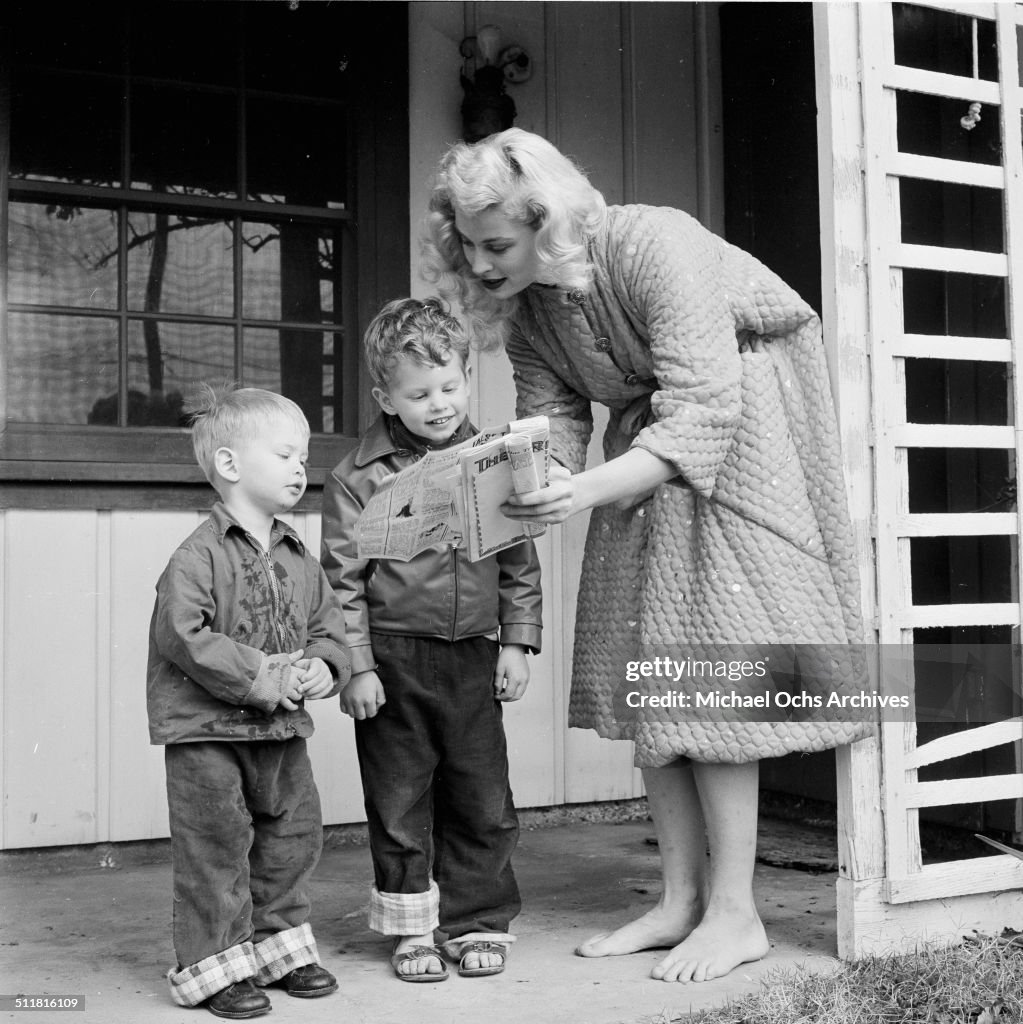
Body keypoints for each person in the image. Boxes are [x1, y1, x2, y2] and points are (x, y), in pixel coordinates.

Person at [421, 128, 872, 984]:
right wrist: (519, 483)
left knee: (715, 669)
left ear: (545, 220)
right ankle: (679, 900)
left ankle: (736, 915)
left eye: (497, 244)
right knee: (648, 657)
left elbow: (705, 402)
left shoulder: (650, 239)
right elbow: (552, 424)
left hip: (743, 427)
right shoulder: (531, 313)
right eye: (469, 248)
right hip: (645, 450)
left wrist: (582, 491)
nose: (480, 265)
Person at [320, 297, 543, 983]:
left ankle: (476, 920)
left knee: (481, 796)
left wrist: (516, 642)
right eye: (419, 393)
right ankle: (412, 926)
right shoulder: (358, 476)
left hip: (473, 651)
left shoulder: (495, 460)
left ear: (467, 380)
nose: (439, 403)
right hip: (393, 659)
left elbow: (518, 563)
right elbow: (342, 582)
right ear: (386, 395)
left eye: (450, 386)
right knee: (399, 798)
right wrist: (356, 666)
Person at [147, 385, 351, 1019]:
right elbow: (184, 636)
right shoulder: (197, 555)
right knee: (217, 845)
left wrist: (325, 666)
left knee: (291, 837)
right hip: (207, 733)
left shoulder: (297, 555)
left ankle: (278, 947)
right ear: (231, 466)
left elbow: (328, 627)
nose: (301, 468)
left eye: (305, 456)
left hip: (281, 734)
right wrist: (263, 675)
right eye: (287, 455)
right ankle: (214, 965)